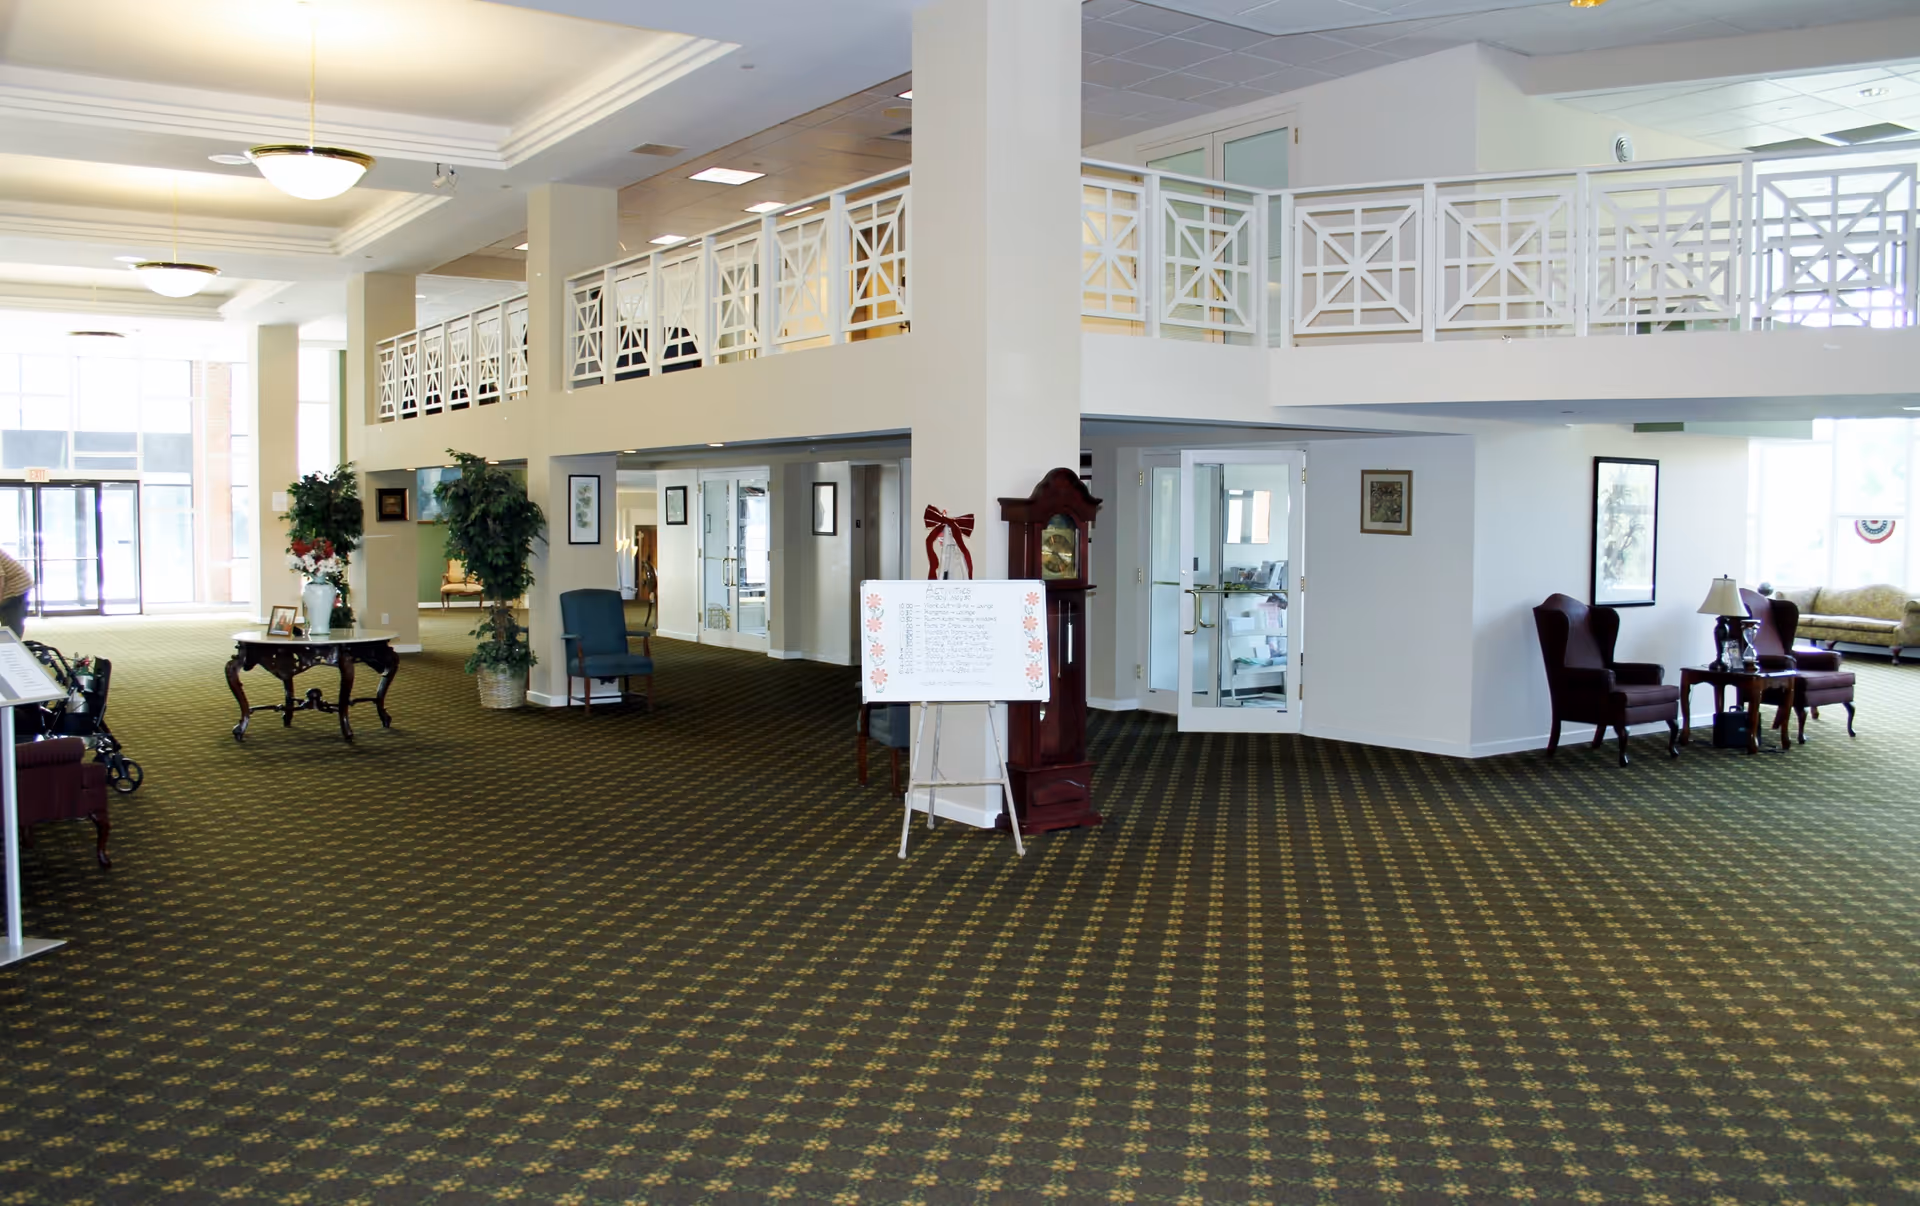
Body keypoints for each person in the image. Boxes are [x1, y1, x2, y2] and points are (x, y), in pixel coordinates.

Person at [0, 548, 31, 637]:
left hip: (15, 589)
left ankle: (10, 648)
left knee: (11, 631)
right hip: (7, 586)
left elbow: (0, 580)